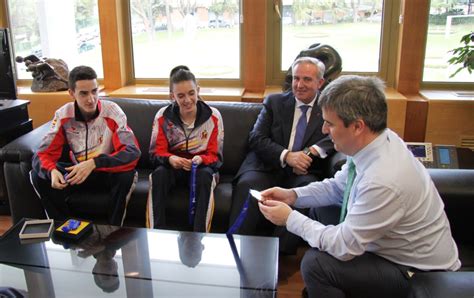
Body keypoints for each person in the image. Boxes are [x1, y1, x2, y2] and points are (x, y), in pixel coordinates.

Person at [258, 75, 461, 297]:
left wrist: (289, 218)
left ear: (357, 126)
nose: (324, 130)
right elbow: (338, 187)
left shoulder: (383, 179)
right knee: (320, 210)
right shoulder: (377, 141)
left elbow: (345, 247)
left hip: (416, 270)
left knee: (315, 265)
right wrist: (292, 196)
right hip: (390, 247)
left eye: (330, 123)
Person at [229, 57, 334, 253]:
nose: (299, 85)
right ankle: (235, 245)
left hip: (303, 171)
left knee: (308, 191)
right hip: (266, 165)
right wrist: (287, 156)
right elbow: (256, 138)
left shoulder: (329, 108)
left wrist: (307, 153)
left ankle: (276, 255)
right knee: (248, 185)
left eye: (307, 79)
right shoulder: (274, 102)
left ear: (320, 83)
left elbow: (335, 137)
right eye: (295, 78)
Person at [30, 65, 141, 226]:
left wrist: (94, 163)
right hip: (76, 175)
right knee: (37, 174)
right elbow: (42, 154)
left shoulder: (113, 112)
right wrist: (52, 171)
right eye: (83, 93)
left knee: (127, 176)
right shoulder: (63, 115)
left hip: (105, 173)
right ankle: (65, 227)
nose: (91, 99)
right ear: (71, 93)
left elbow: (132, 152)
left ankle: (112, 230)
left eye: (94, 91)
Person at [147, 66, 224, 232]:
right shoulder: (162, 116)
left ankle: (200, 233)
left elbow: (216, 157)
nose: (187, 100)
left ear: (198, 90)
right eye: (180, 95)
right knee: (158, 174)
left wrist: (201, 159)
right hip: (172, 168)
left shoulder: (214, 117)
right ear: (172, 96)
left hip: (201, 168)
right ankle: (156, 233)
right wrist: (170, 158)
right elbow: (155, 153)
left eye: (191, 93)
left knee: (205, 176)